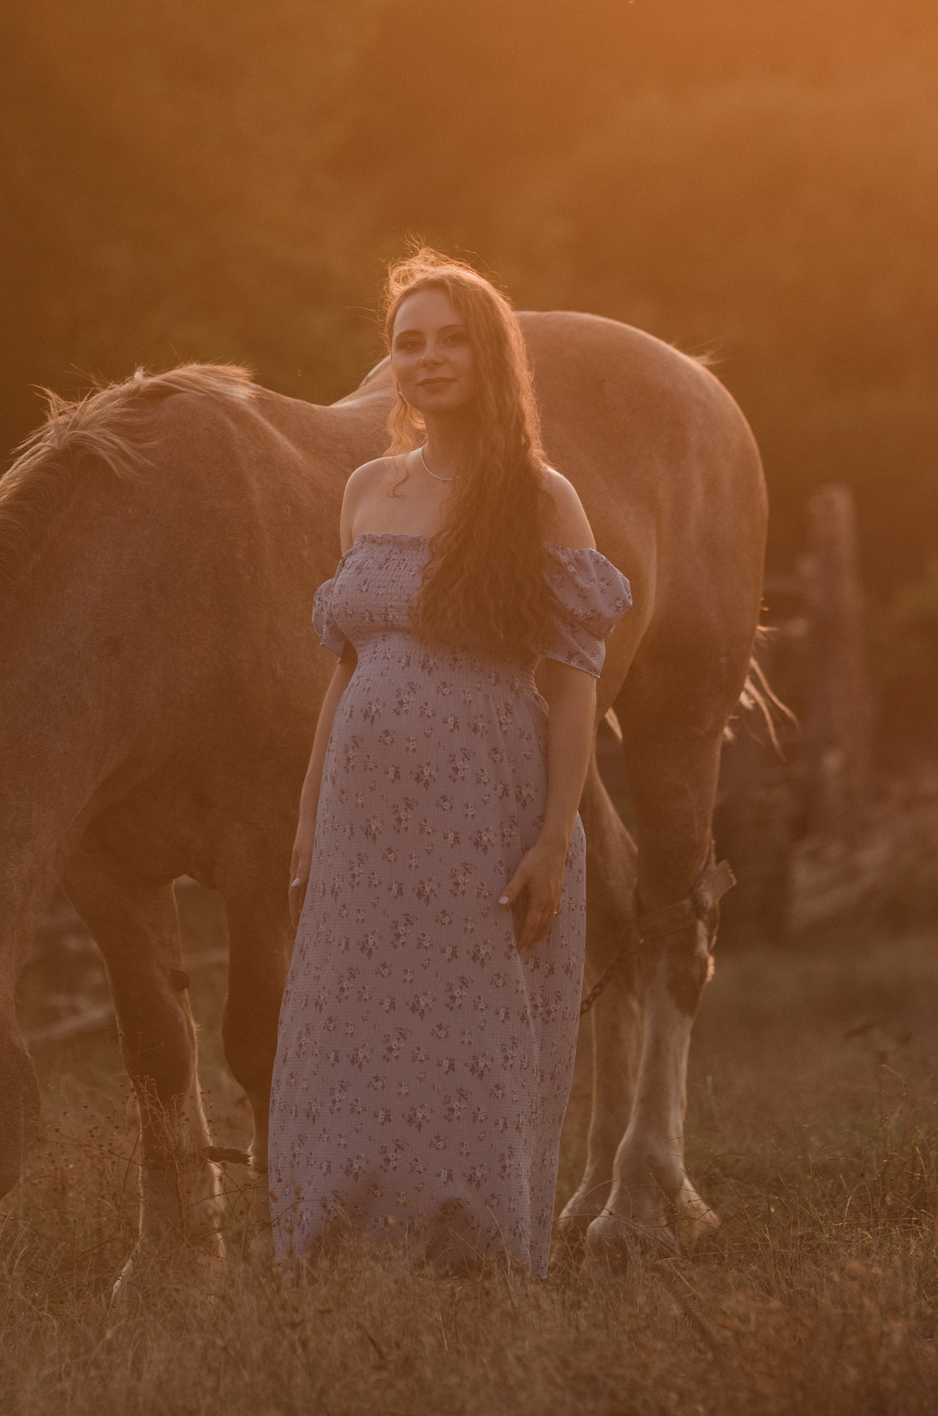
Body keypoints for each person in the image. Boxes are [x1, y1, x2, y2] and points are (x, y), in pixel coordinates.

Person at [270, 250, 632, 1275]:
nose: (425, 359)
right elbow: (343, 675)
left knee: (469, 1016)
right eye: (406, 341)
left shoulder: (537, 498)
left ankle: (466, 1244)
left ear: (489, 353)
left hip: (484, 801)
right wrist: (305, 820)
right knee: (355, 1009)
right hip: (359, 809)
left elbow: (571, 686)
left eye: (448, 338)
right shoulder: (364, 491)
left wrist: (555, 835)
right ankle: (342, 1235)